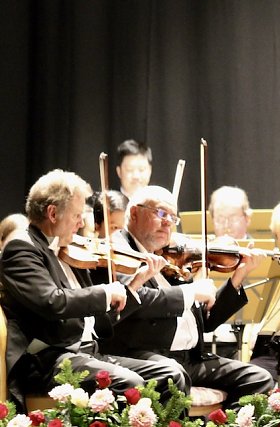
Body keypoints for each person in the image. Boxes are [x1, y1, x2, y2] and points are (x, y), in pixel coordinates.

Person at [0, 170, 186, 410]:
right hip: (47, 360)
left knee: (170, 376)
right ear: (53, 213)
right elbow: (52, 302)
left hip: (87, 353)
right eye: (77, 215)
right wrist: (105, 293)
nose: (81, 223)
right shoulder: (22, 248)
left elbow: (97, 319)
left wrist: (133, 285)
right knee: (129, 383)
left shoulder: (70, 250)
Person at [101, 185, 275, 405]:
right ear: (135, 213)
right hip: (144, 354)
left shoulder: (173, 257)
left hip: (190, 357)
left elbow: (207, 322)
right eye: (161, 213)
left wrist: (238, 276)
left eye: (173, 218)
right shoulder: (118, 250)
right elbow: (136, 298)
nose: (168, 223)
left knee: (258, 379)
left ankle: (222, 420)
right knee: (173, 375)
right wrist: (189, 292)